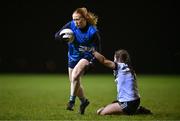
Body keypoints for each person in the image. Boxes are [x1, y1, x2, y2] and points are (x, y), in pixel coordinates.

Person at [55, 7, 101, 114]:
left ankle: (71, 101)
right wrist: (62, 38)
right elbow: (56, 35)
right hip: (72, 56)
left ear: (85, 18)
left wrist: (93, 62)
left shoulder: (93, 31)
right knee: (74, 81)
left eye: (78, 19)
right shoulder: (71, 25)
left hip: (86, 56)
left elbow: (98, 49)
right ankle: (84, 101)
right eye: (74, 19)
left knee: (75, 76)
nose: (76, 22)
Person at [91, 49, 152, 115]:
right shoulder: (129, 68)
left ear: (117, 58)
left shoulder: (120, 66)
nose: (113, 60)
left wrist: (93, 51)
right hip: (135, 101)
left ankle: (137, 110)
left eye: (114, 57)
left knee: (100, 112)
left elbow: (103, 60)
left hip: (128, 103)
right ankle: (135, 108)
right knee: (106, 107)